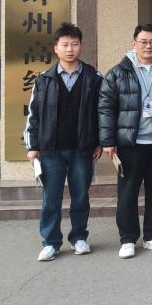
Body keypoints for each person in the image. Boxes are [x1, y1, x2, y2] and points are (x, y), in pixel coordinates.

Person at [23, 22, 103, 261]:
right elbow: (33, 115)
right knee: (51, 198)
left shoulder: (94, 77)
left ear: (81, 46)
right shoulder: (44, 80)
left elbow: (102, 113)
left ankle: (79, 237)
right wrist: (32, 146)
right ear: (56, 48)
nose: (70, 49)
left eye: (74, 44)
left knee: (80, 196)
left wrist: (100, 141)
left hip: (82, 148)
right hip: (51, 150)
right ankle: (51, 242)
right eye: (65, 45)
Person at [99, 23, 152, 259]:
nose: (148, 46)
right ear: (134, 44)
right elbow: (105, 107)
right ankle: (127, 239)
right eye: (143, 41)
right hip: (130, 143)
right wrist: (108, 141)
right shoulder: (118, 72)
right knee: (128, 193)